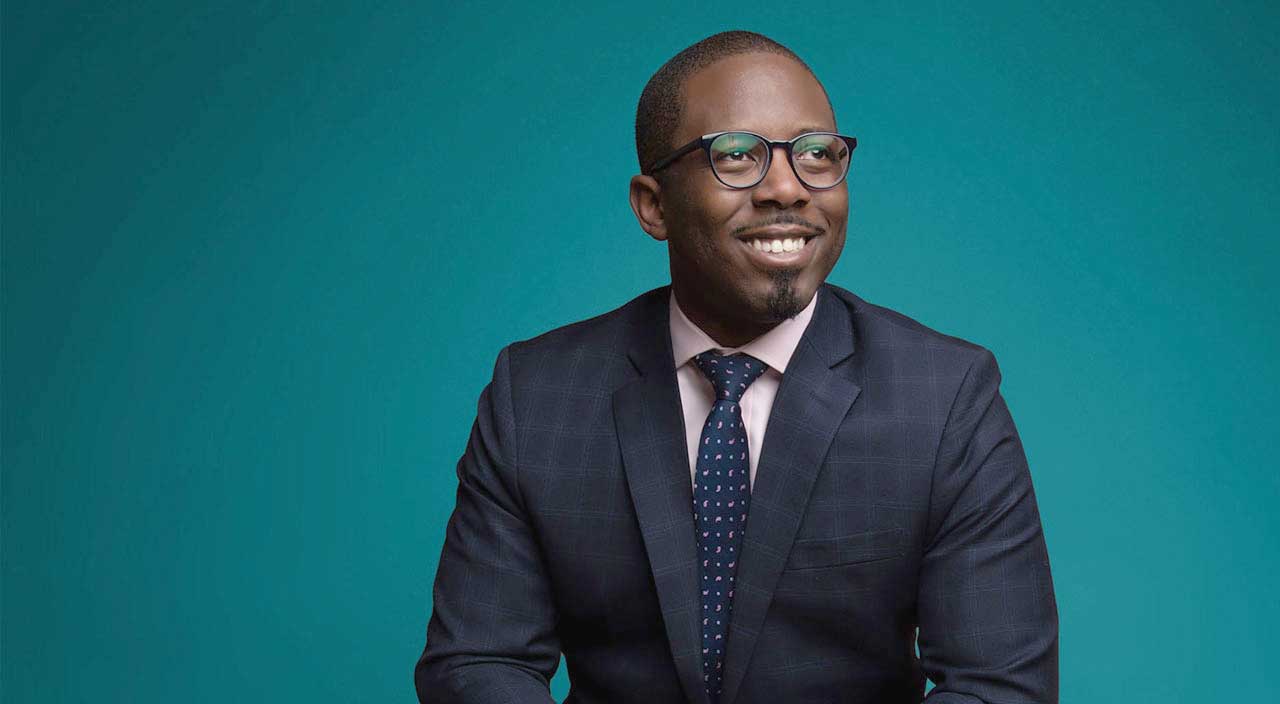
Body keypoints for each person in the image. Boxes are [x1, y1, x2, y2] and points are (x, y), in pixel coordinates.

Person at [415, 30, 1058, 704]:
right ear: (653, 205)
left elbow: (999, 686)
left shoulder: (947, 398)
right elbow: (478, 663)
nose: (787, 187)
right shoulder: (538, 396)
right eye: (737, 156)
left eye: (816, 154)